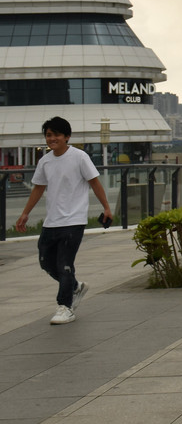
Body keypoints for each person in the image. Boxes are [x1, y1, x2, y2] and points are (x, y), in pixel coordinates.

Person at [15, 117, 113, 326]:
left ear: (67, 137)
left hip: (74, 220)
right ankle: (75, 287)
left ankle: (65, 307)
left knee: (64, 264)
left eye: (57, 135)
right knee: (45, 262)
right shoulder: (45, 161)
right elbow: (38, 188)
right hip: (52, 221)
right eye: (49, 135)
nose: (52, 139)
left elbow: (94, 182)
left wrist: (106, 207)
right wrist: (25, 213)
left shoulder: (79, 157)